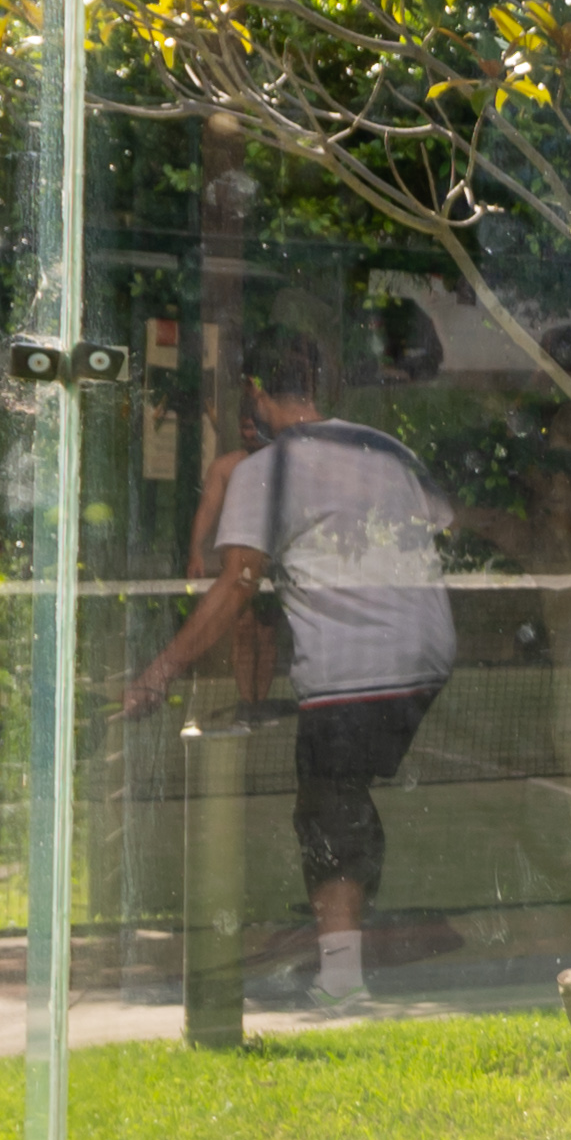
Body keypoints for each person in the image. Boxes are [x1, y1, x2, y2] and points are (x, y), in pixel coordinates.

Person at [120, 332, 461, 1009]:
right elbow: (446, 524)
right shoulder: (384, 449)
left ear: (255, 393)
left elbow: (237, 582)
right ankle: (345, 938)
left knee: (327, 810)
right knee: (342, 799)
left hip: (352, 668)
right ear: (319, 386)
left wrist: (158, 672)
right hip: (429, 653)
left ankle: (341, 980)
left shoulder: (263, 471)